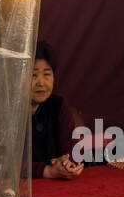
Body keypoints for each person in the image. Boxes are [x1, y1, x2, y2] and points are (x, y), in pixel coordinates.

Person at [30, 41, 84, 180]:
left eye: (46, 74)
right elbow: (4, 165)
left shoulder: (58, 106)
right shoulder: (6, 110)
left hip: (56, 189)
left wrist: (67, 164)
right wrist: (46, 171)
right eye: (33, 75)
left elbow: (70, 153)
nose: (41, 82)